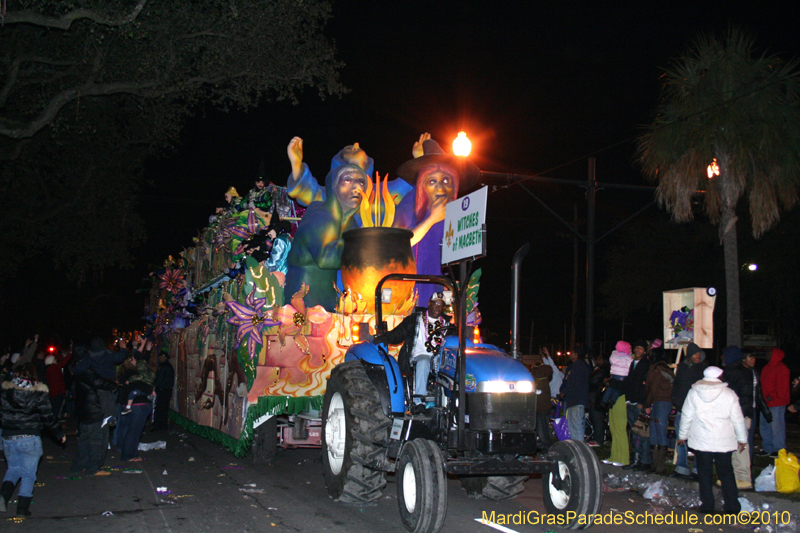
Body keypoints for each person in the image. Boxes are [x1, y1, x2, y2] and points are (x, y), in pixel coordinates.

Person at [393, 137, 480, 304]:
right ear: (423, 184)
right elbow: (397, 242)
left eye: (446, 180)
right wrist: (432, 218)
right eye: (433, 181)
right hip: (407, 291)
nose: (440, 187)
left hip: (435, 290)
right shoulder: (410, 202)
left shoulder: (454, 213)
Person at [285, 162, 366, 310]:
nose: (357, 187)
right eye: (347, 180)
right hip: (304, 299)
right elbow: (326, 259)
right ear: (333, 186)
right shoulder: (322, 216)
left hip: (328, 300)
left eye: (361, 182)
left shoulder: (350, 222)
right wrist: (364, 249)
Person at [677, 366, 746, 515]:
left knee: (704, 473)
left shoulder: (694, 392)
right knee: (726, 472)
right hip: (724, 440)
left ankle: (707, 506)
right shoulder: (729, 394)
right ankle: (732, 506)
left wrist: (682, 435)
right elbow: (738, 419)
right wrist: (742, 439)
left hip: (702, 441)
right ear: (720, 375)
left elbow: (686, 416)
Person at [1, 364, 66, 516]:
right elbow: (47, 416)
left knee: (13, 469)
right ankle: (22, 508)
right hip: (29, 436)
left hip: (9, 436)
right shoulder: (38, 392)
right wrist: (58, 432)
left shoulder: (6, 392)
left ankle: (3, 496)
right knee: (29, 474)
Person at [372, 292, 450, 411]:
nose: (438, 307)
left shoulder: (448, 324)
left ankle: (450, 403)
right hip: (420, 355)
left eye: (441, 305)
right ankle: (419, 402)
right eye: (435, 304)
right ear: (429, 304)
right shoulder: (415, 319)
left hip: (439, 357)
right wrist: (385, 338)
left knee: (453, 363)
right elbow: (399, 333)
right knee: (424, 361)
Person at [723, 346, 771, 490]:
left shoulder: (741, 372)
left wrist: (749, 413)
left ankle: (742, 477)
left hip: (742, 413)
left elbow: (749, 395)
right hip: (744, 413)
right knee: (741, 444)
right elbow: (749, 395)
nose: (754, 360)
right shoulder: (743, 372)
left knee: (740, 445)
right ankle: (741, 476)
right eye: (751, 357)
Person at [71, 345, 118, 476]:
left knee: (84, 439)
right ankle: (94, 467)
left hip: (84, 409)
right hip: (94, 410)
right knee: (97, 440)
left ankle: (80, 464)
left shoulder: (78, 369)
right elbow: (98, 382)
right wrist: (114, 385)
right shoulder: (88, 369)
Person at [670, 342, 708, 479]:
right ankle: (682, 467)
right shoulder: (682, 367)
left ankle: (698, 469)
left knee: (697, 439)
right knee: (681, 438)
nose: (698, 356)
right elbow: (677, 385)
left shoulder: (703, 369)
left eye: (699, 354)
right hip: (682, 408)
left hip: (698, 410)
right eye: (695, 353)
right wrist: (676, 400)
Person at [73, 336, 129, 427]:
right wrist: (123, 348)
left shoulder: (89, 356)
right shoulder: (107, 353)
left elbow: (78, 368)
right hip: (108, 382)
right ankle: (110, 417)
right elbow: (119, 358)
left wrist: (75, 369)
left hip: (97, 382)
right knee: (110, 399)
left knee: (104, 399)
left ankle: (108, 417)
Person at [117, 351, 154, 462]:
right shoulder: (136, 374)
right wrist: (150, 389)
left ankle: (127, 451)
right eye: (134, 359)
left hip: (127, 404)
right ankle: (129, 455)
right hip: (138, 405)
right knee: (134, 431)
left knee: (128, 429)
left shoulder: (123, 374)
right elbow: (143, 387)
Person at [622, 340, 651, 471]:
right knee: (634, 432)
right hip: (631, 402)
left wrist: (642, 402)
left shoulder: (646, 364)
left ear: (645, 351)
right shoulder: (633, 363)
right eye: (637, 347)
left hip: (639, 404)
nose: (638, 350)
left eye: (641, 348)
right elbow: (630, 382)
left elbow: (645, 385)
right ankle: (636, 459)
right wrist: (628, 399)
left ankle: (643, 461)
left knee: (641, 432)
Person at [644, 346, 673, 474]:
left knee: (657, 433)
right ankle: (657, 465)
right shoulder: (664, 368)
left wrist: (647, 404)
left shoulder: (657, 369)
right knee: (657, 432)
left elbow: (653, 389)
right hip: (663, 402)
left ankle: (658, 465)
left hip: (659, 402)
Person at [759, 347, 790, 457]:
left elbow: (783, 387)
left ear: (774, 354)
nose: (766, 354)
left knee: (777, 427)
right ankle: (768, 448)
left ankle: (779, 449)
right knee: (765, 426)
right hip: (766, 402)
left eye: (769, 352)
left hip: (776, 403)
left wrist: (774, 397)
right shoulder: (766, 368)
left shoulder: (781, 368)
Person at [560, 348, 591, 443]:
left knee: (576, 426)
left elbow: (575, 383)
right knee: (572, 426)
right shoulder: (575, 366)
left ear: (576, 355)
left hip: (577, 400)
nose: (569, 354)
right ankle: (576, 448)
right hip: (573, 400)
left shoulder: (580, 366)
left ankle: (580, 449)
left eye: (572, 353)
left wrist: (565, 391)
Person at [530, 356, 553, 449]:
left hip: (540, 408)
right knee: (545, 425)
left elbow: (537, 393)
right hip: (545, 408)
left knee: (541, 427)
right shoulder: (545, 381)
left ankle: (544, 443)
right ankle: (548, 442)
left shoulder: (540, 382)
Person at [601, 340, 632, 409]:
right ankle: (612, 401)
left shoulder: (614, 355)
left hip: (614, 373)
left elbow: (611, 361)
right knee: (617, 389)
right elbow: (630, 365)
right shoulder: (627, 357)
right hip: (622, 375)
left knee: (610, 387)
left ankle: (604, 400)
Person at [587, 352, 610, 446]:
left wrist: (590, 376)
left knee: (597, 418)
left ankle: (598, 440)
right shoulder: (599, 369)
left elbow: (593, 381)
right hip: (595, 398)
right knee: (594, 417)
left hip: (598, 398)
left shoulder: (603, 370)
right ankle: (597, 438)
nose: (597, 360)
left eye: (599, 359)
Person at [44, 348, 73, 420]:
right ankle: (54, 424)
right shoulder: (53, 368)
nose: (56, 360)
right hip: (58, 392)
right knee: (56, 410)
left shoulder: (49, 369)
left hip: (54, 392)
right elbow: (63, 362)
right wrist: (70, 354)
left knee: (54, 409)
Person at [153, 350, 175, 432]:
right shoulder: (165, 366)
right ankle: (161, 426)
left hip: (163, 390)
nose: (159, 358)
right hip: (165, 390)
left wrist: (156, 386)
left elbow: (160, 379)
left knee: (160, 409)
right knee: (162, 409)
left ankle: (160, 426)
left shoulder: (164, 367)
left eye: (161, 357)